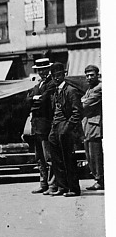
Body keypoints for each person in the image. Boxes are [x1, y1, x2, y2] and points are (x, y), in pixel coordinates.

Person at [47, 62, 83, 197]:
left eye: (59, 75)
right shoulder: (56, 91)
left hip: (64, 127)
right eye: (54, 76)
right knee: (56, 159)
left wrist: (66, 128)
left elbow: (77, 113)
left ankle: (73, 188)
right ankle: (62, 187)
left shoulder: (71, 90)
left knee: (69, 159)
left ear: (64, 74)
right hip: (55, 127)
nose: (56, 78)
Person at [26, 58, 57, 194]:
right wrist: (34, 99)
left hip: (45, 125)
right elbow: (27, 100)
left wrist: (34, 99)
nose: (42, 72)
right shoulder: (38, 85)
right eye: (40, 70)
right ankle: (43, 183)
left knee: (48, 157)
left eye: (45, 69)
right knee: (39, 157)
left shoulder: (51, 84)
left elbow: (44, 101)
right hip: (36, 126)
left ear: (49, 70)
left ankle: (52, 185)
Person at [81, 64, 104, 190]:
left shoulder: (98, 88)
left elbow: (85, 104)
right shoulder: (90, 89)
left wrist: (84, 101)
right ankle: (97, 178)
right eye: (87, 75)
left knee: (95, 154)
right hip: (88, 125)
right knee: (89, 154)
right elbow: (83, 100)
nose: (89, 77)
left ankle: (99, 180)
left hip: (94, 125)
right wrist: (84, 100)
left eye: (91, 75)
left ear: (97, 75)